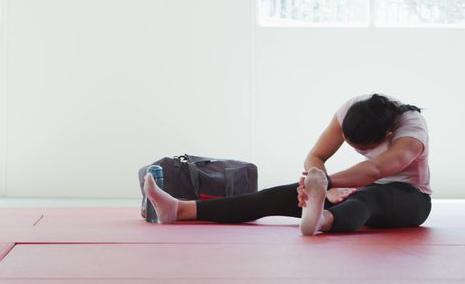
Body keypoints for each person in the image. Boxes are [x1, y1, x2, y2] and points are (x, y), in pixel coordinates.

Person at [143, 94, 432, 235]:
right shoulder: (351, 111)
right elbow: (315, 156)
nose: (355, 150)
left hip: (410, 200)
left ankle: (321, 220)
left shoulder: (411, 130)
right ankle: (179, 209)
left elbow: (377, 171)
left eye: (361, 148)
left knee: (371, 196)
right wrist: (316, 184)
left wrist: (327, 183)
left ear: (387, 135)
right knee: (276, 195)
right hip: (351, 189)